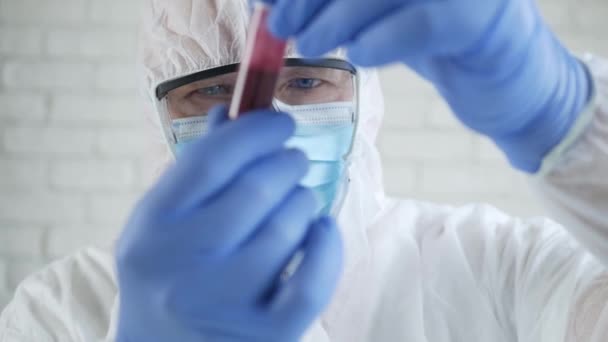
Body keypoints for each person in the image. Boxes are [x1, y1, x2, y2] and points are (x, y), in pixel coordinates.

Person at [2, 0, 608, 341]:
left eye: (307, 80)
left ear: (361, 96)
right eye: (213, 91)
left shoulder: (497, 268)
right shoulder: (63, 310)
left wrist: (569, 122)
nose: (263, 114)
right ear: (156, 110)